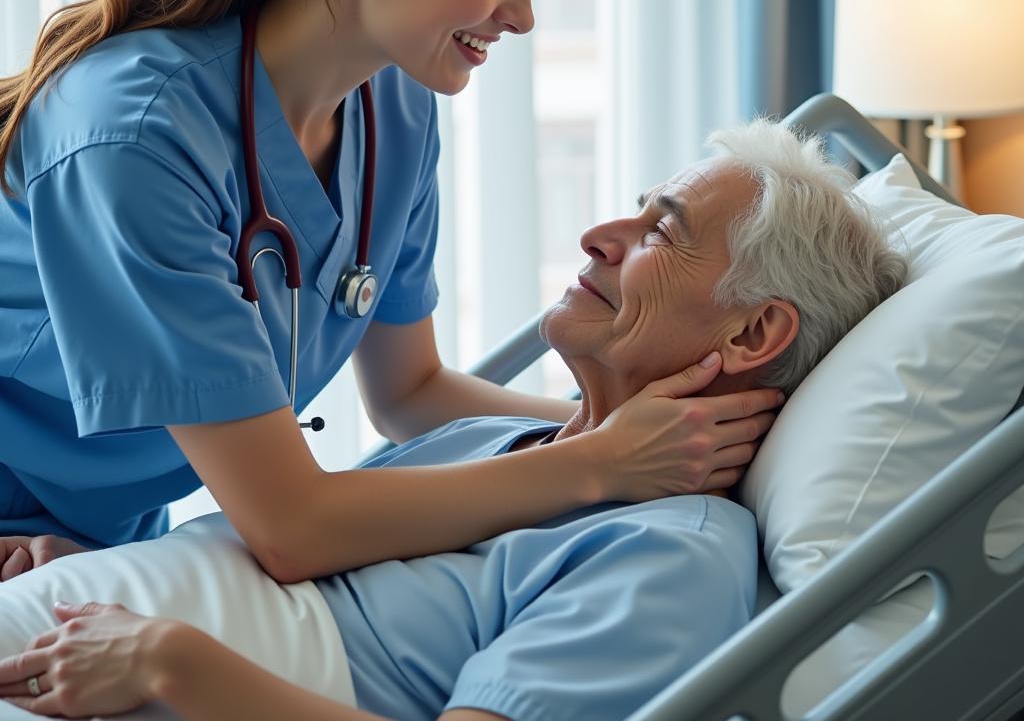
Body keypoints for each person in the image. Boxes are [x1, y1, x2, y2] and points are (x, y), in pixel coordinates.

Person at [0, 0, 786, 583]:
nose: (520, 16)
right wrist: (603, 465)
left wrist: (648, 437)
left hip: (79, 535)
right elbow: (291, 527)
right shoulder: (136, 139)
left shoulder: (393, 105)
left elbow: (410, 393)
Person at [0, 121, 909, 721]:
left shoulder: (674, 551)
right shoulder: (496, 448)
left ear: (756, 333)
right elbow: (297, 564)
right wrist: (102, 575)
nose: (600, 234)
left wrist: (168, 659)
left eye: (660, 233)